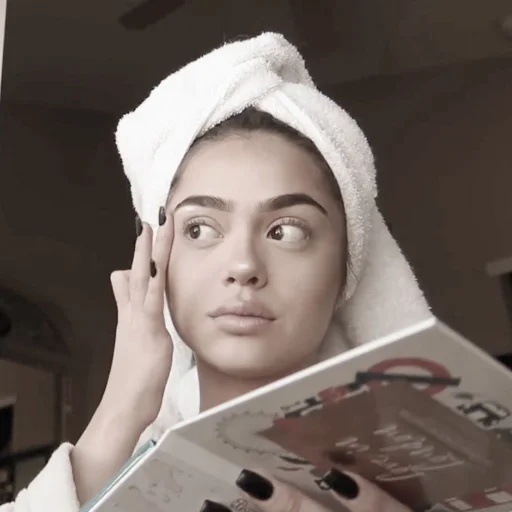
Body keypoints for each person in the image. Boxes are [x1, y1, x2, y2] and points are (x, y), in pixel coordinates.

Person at [0, 33, 430, 512]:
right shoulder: (125, 484)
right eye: (200, 228)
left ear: (346, 268)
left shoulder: (436, 487)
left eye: (287, 231)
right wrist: (121, 409)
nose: (244, 265)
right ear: (156, 261)